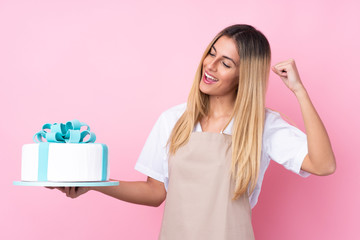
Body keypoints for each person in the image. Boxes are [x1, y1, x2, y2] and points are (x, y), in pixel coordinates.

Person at [48, 24, 336, 239]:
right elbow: (154, 191)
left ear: (243, 75)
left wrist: (299, 91)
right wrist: (94, 183)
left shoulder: (261, 125)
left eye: (225, 63)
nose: (209, 66)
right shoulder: (174, 119)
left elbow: (323, 165)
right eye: (211, 53)